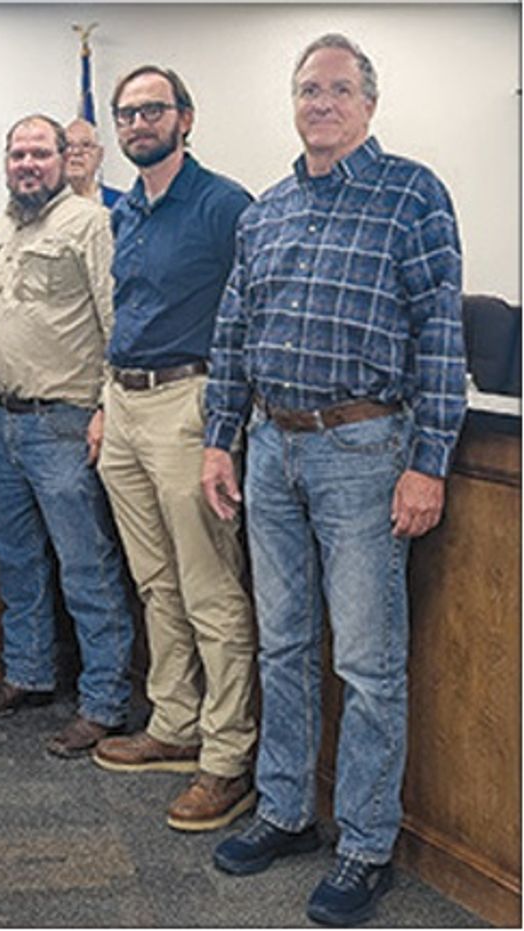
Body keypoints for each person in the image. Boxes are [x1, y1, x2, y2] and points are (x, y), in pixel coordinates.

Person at [202, 34, 465, 927]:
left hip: (364, 449)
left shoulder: (413, 195)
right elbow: (234, 332)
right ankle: (284, 809)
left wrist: (429, 460)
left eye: (337, 89)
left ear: (368, 103)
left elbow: (440, 338)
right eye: (307, 88)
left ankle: (363, 842)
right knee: (281, 643)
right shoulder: (266, 210)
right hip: (271, 448)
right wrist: (217, 440)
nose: (320, 102)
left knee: (366, 661)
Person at [89, 65, 258, 834]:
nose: (137, 124)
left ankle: (226, 757)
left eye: (152, 110)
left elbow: (254, 315)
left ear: (185, 118)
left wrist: (226, 424)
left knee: (210, 587)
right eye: (126, 114)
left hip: (190, 404)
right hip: (123, 404)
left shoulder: (224, 205)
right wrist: (102, 405)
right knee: (156, 582)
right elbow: (124, 312)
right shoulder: (128, 212)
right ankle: (175, 722)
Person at [0, 114, 135, 758]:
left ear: (64, 159)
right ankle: (29, 675)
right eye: (16, 155)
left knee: (85, 563)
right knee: (14, 554)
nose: (26, 164)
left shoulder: (91, 224)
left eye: (39, 153)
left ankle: (104, 703)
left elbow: (119, 320)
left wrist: (106, 409)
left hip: (63, 420)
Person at [64, 118, 123, 208]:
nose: (76, 152)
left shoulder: (122, 204)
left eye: (86, 145)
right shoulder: (46, 203)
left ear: (100, 155)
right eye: (68, 145)